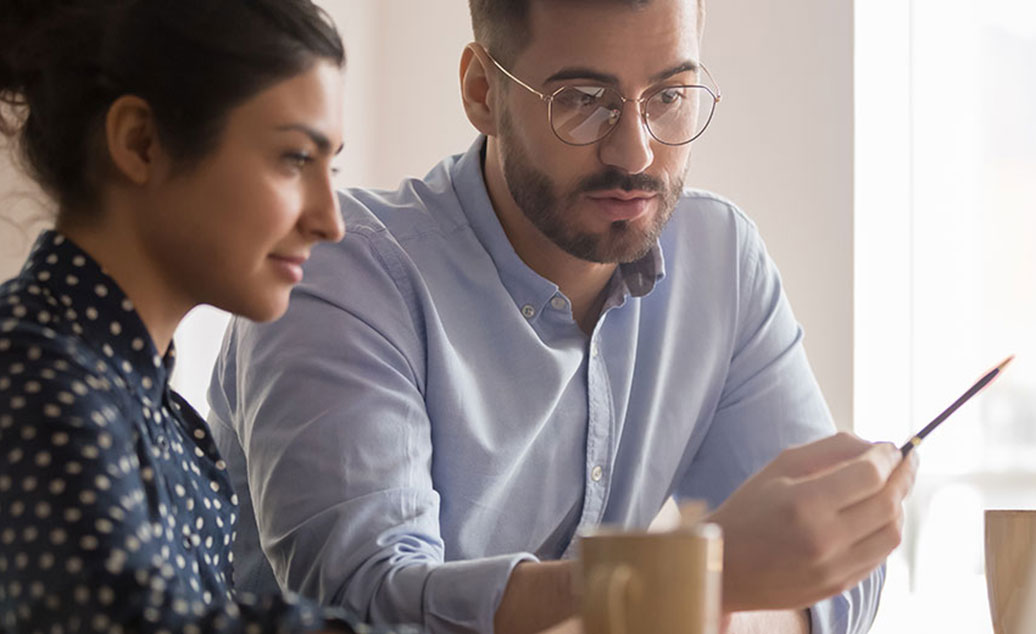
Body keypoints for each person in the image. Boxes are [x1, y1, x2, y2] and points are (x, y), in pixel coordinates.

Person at [207, 0, 917, 632]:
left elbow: (837, 581)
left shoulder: (721, 260)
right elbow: (367, 605)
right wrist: (695, 581)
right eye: (583, 99)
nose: (635, 151)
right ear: (483, 92)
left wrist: (717, 608)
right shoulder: (342, 270)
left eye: (669, 94)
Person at [0, 1, 415, 632]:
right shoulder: (34, 384)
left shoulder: (160, 419)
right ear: (141, 143)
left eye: (330, 168)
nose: (330, 221)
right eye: (294, 159)